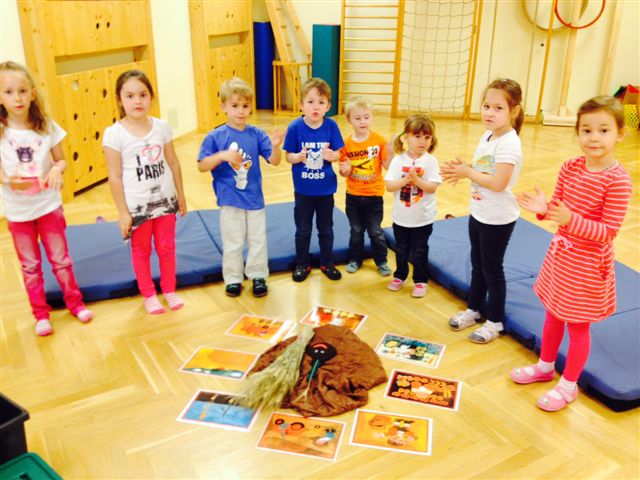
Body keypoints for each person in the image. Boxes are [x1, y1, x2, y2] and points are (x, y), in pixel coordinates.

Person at [510, 96, 632, 412]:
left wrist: (569, 219)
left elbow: (607, 232)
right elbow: (559, 208)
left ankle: (568, 385)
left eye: (603, 130)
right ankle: (545, 366)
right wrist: (544, 209)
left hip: (589, 265)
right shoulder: (570, 167)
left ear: (620, 134)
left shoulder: (618, 181)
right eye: (586, 130)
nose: (594, 137)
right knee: (552, 314)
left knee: (578, 326)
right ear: (577, 133)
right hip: (561, 257)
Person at [0, 61, 93, 336]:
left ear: (32, 93)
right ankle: (40, 314)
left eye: (22, 91)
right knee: (30, 266)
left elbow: (61, 160)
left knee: (61, 260)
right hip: (18, 212)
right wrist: (9, 181)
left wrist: (56, 169)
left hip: (48, 206)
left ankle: (75, 303)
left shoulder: (46, 126)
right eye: (8, 92)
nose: (17, 98)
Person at [441, 78, 524, 343]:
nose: (489, 112)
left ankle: (495, 321)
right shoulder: (488, 136)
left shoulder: (509, 143)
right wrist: (463, 168)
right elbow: (484, 170)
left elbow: (499, 183)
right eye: (486, 106)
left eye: (498, 108)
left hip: (497, 218)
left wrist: (468, 172)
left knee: (492, 269)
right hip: (479, 212)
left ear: (514, 111)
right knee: (477, 265)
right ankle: (474, 309)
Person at [103, 70, 186, 315]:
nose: (137, 101)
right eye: (129, 96)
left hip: (165, 200)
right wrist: (123, 212)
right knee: (141, 249)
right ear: (120, 100)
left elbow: (173, 163)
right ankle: (149, 294)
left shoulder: (162, 127)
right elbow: (114, 176)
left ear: (151, 97)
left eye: (142, 94)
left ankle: (169, 289)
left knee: (166, 246)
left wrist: (181, 195)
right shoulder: (114, 133)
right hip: (137, 205)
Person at [197, 77, 282, 297]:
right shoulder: (215, 136)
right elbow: (202, 166)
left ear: (251, 107)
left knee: (258, 240)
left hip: (254, 199)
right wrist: (221, 156)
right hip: (230, 199)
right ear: (223, 107)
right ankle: (233, 278)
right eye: (234, 105)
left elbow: (274, 161)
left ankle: (258, 275)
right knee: (233, 241)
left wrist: (275, 147)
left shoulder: (257, 134)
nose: (241, 111)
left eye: (245, 105)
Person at [283, 78, 345, 282]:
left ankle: (327, 262)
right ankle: (303, 263)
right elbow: (288, 157)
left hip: (326, 191)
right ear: (301, 105)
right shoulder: (295, 127)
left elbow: (338, 153)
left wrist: (333, 156)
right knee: (303, 230)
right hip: (303, 191)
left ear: (328, 106)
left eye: (321, 102)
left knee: (326, 229)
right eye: (310, 102)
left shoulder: (331, 126)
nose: (315, 107)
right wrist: (297, 157)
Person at [384, 114, 441, 298]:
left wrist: (417, 181)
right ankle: (400, 275)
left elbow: (432, 187)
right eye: (417, 136)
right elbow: (389, 186)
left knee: (419, 251)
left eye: (427, 137)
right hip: (401, 218)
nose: (422, 141)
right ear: (406, 137)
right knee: (401, 250)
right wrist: (405, 180)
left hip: (423, 219)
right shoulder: (398, 160)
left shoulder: (431, 161)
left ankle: (420, 280)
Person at [339, 96, 392, 276]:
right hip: (353, 195)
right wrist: (345, 170)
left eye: (366, 117)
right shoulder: (346, 144)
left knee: (375, 231)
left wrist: (391, 153)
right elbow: (343, 172)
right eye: (358, 118)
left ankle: (382, 261)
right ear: (349, 120)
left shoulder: (379, 140)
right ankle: (355, 259)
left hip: (374, 195)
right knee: (356, 230)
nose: (363, 121)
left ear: (372, 117)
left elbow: (387, 166)